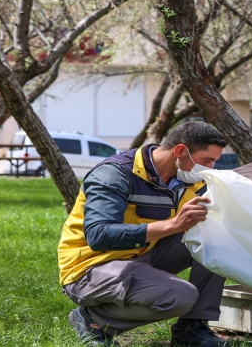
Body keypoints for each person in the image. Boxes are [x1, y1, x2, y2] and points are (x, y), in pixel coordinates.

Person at [57, 121, 230, 347]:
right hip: (91, 267)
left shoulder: (190, 181)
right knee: (181, 296)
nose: (210, 168)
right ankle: (92, 320)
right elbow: (99, 236)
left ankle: (192, 328)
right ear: (180, 151)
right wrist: (173, 225)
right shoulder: (115, 174)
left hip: (140, 256)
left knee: (215, 237)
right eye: (207, 160)